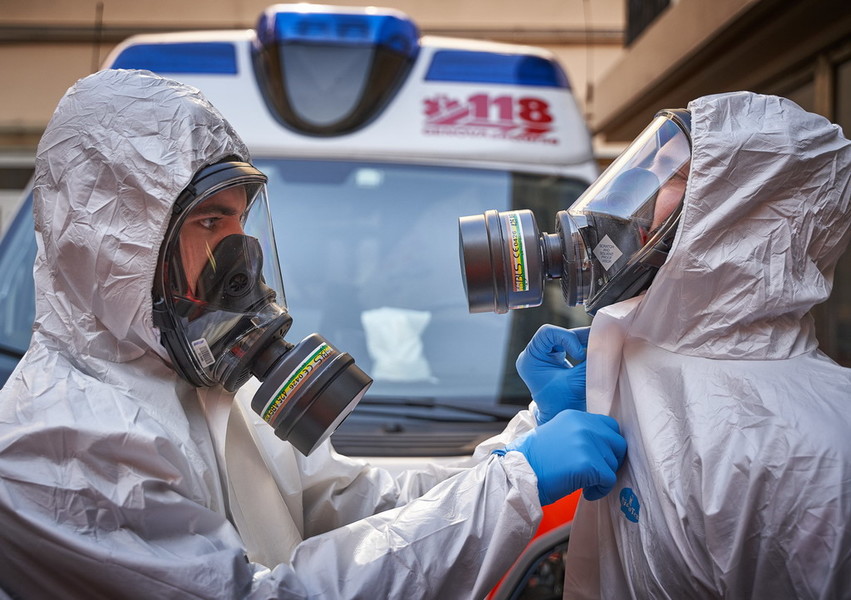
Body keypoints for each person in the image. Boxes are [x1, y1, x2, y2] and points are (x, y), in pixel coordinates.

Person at [0, 68, 627, 599]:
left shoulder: (202, 382)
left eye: (240, 222)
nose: (240, 255)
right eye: (210, 222)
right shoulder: (59, 444)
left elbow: (371, 510)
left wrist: (524, 443)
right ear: (115, 245)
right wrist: (515, 486)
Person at [516, 92, 851, 598]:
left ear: (746, 213)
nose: (633, 189)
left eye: (673, 174)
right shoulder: (629, 350)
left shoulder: (815, 455)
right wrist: (537, 430)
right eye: (647, 165)